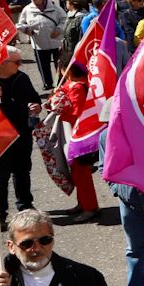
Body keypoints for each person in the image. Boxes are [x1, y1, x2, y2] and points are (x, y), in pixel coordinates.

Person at [0, 49, 41, 221]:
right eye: (17, 62)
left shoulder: (22, 78)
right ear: (2, 64)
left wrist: (36, 106)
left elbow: (34, 98)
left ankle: (25, 206)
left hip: (21, 133)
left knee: (22, 171)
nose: (21, 65)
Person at [49, 60, 100, 219]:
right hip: (74, 134)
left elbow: (76, 113)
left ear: (67, 70)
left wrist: (59, 107)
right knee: (77, 172)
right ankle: (83, 203)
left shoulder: (78, 87)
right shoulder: (76, 83)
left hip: (77, 135)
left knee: (81, 172)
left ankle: (89, 207)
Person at [16, 0, 66, 91]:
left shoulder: (55, 7)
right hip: (39, 42)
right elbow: (20, 24)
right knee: (43, 64)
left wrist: (58, 30)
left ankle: (61, 82)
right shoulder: (27, 9)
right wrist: (26, 30)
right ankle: (47, 83)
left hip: (56, 41)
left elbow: (64, 20)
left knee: (59, 63)